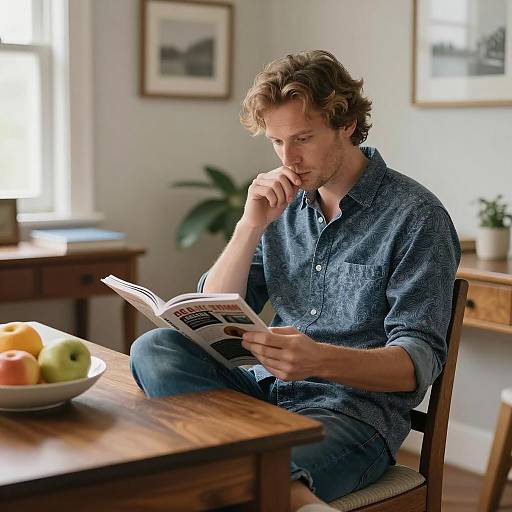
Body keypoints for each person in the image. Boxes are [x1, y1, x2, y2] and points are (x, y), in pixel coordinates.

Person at [130, 50, 460, 512]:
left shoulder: (416, 218)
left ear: (346, 124)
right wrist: (250, 226)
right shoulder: (282, 205)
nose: (289, 158)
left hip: (350, 418)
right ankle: (272, 483)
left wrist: (319, 360)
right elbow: (209, 309)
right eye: (276, 142)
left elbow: (416, 364)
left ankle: (243, 472)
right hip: (265, 398)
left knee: (214, 479)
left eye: (303, 138)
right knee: (157, 347)